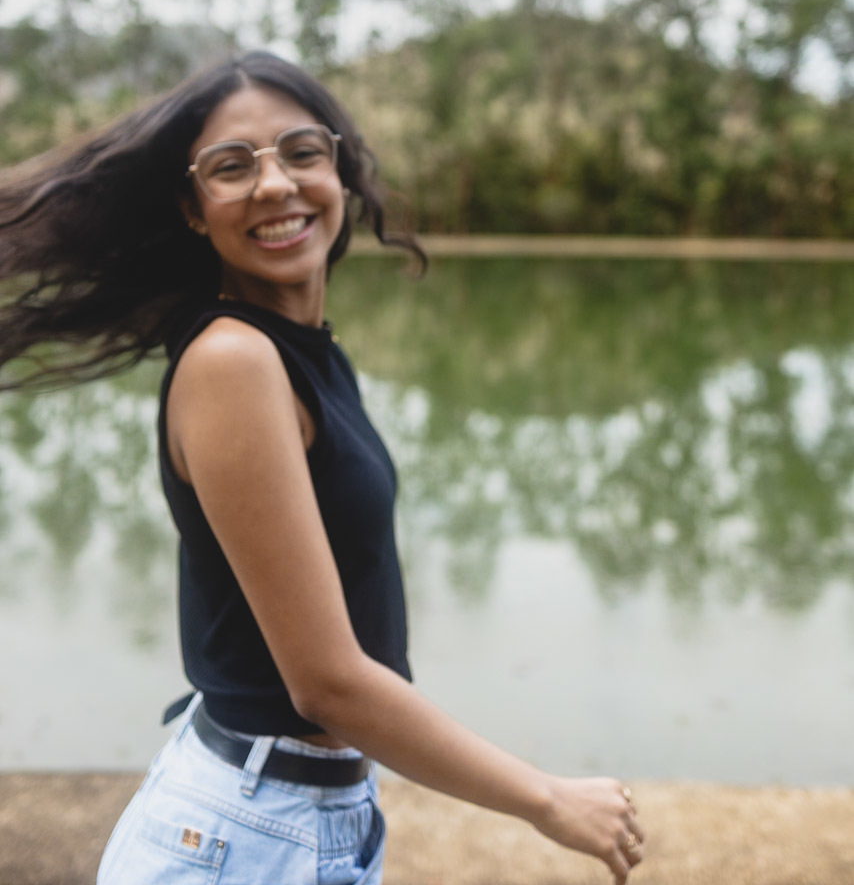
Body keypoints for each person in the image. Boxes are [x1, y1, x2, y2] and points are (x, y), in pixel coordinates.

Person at [0, 50, 644, 884]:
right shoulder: (232, 362)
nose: (275, 185)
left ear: (338, 171)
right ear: (194, 210)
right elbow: (327, 685)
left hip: (303, 817)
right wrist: (546, 799)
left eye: (302, 152)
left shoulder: (302, 353)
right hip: (246, 839)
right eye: (232, 167)